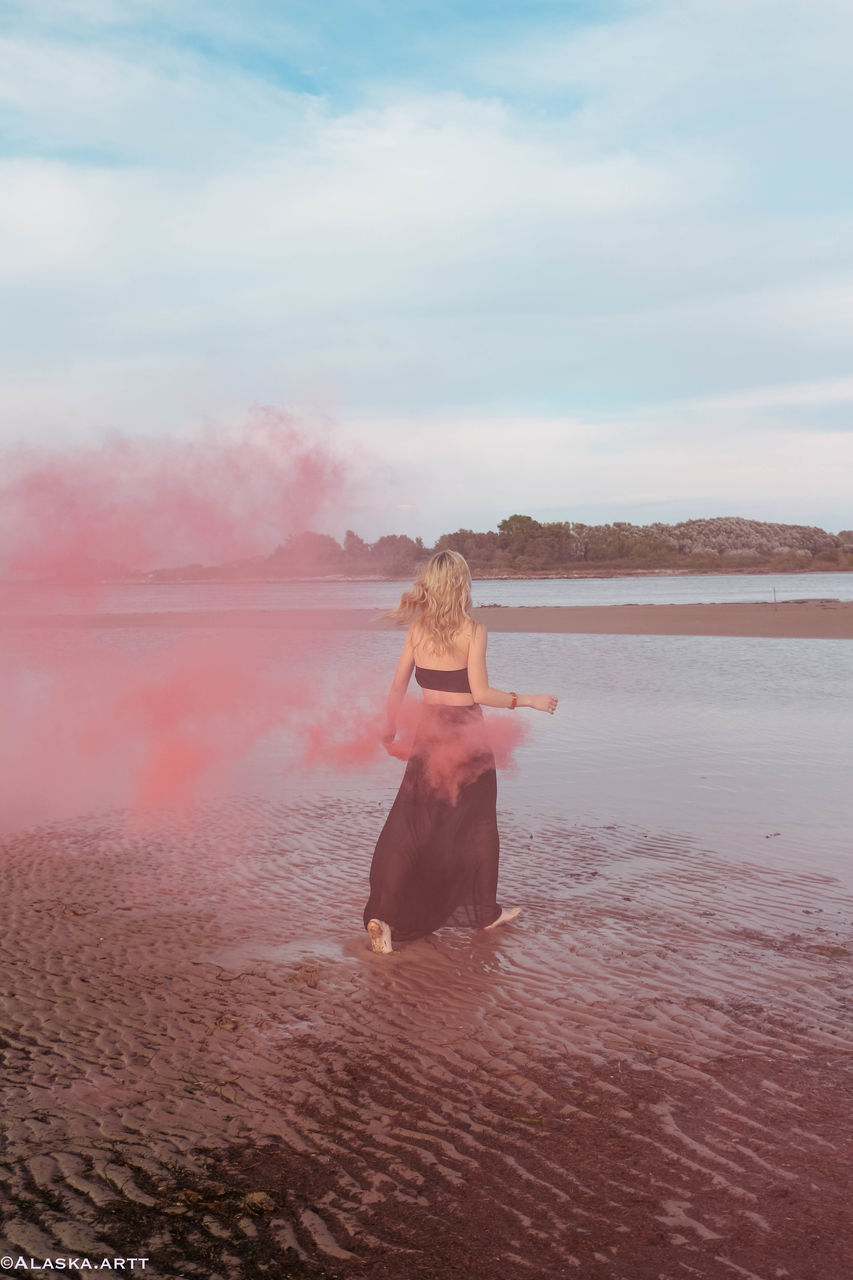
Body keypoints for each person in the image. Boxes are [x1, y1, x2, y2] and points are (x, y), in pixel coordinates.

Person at [364, 549, 558, 954]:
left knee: (411, 825)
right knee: (481, 824)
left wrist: (389, 727)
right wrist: (530, 700)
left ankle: (382, 916)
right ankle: (485, 912)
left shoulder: (417, 632)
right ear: (461, 585)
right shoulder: (472, 630)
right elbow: (480, 693)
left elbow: (397, 688)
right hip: (466, 736)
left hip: (427, 733)